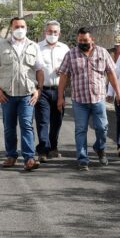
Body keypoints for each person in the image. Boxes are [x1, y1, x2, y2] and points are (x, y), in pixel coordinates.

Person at [57, 27, 120, 171]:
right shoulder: (70, 55)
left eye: (85, 40)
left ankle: (100, 148)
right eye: (80, 40)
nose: (82, 42)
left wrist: (118, 94)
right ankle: (82, 159)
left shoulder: (102, 52)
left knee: (102, 128)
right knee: (80, 130)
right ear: (77, 39)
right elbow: (64, 76)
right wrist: (60, 97)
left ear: (92, 39)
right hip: (79, 100)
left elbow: (112, 74)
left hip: (98, 99)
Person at [0, 17, 45, 171]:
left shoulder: (34, 46)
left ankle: (29, 158)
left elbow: (39, 70)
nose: (20, 29)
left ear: (26, 28)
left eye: (22, 26)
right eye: (17, 26)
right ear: (11, 28)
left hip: (27, 94)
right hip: (7, 95)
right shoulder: (0, 46)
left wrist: (39, 90)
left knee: (26, 125)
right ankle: (11, 155)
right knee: (9, 127)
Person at [35, 20, 69, 162]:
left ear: (59, 33)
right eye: (50, 31)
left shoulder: (65, 49)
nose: (52, 34)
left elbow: (69, 70)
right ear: (45, 32)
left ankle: (53, 147)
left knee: (57, 120)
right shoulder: (37, 48)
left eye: (55, 32)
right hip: (42, 90)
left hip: (59, 91)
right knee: (43, 120)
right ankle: (43, 150)